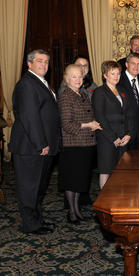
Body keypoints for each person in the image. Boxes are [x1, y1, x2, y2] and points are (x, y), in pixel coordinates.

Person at [10, 49, 61, 234]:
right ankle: (30, 225)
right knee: (29, 187)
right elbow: (29, 117)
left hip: (42, 146)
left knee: (39, 186)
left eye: (47, 61)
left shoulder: (41, 83)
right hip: (31, 146)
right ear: (29, 64)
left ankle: (37, 220)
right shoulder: (26, 84)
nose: (44, 65)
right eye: (40, 61)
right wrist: (41, 144)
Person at [58, 64, 101, 224]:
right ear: (67, 79)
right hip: (73, 145)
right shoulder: (65, 96)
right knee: (72, 181)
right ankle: (72, 212)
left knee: (80, 180)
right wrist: (88, 125)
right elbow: (67, 124)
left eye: (80, 76)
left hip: (86, 144)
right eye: (74, 76)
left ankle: (77, 210)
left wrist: (94, 124)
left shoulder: (82, 94)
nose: (78, 79)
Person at [92, 60, 134, 189]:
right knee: (106, 170)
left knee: (120, 170)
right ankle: (104, 205)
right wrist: (112, 138)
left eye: (118, 73)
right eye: (112, 73)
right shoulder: (99, 92)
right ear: (105, 75)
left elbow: (129, 114)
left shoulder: (122, 90)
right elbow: (100, 117)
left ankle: (117, 200)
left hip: (123, 137)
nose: (116, 76)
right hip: (107, 138)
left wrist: (128, 134)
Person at [118, 53, 139, 150]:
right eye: (133, 63)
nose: (136, 67)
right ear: (127, 64)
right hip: (124, 133)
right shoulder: (118, 81)